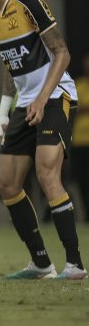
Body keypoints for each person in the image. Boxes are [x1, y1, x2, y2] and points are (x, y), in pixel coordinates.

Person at [0, 0, 85, 280]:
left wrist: (42, 98)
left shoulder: (28, 1)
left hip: (56, 94)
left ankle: (75, 264)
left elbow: (62, 53)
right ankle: (40, 263)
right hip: (26, 102)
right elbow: (12, 65)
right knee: (7, 184)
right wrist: (4, 110)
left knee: (47, 174)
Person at [71, 53, 89, 222]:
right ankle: (86, 216)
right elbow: (72, 108)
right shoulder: (79, 85)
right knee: (82, 181)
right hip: (79, 142)